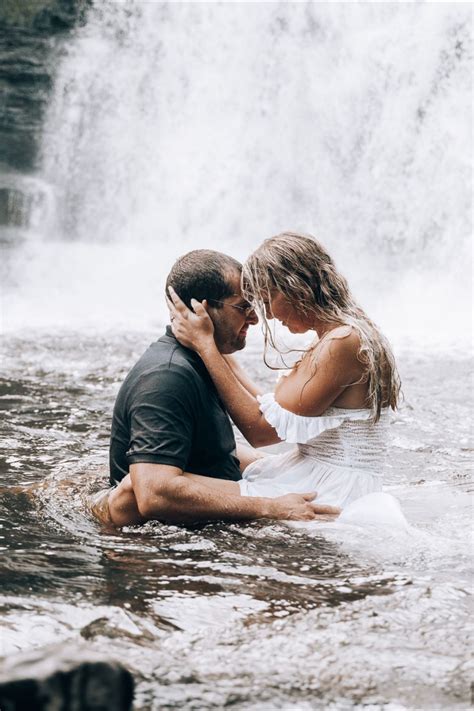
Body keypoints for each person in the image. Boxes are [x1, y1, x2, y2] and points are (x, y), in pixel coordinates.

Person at [92, 249, 339, 527]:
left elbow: (207, 451)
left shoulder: (202, 360)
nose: (255, 319)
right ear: (203, 310)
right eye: (242, 307)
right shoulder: (166, 377)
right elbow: (154, 494)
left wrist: (277, 468)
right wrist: (270, 507)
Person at [167, 232, 401, 511]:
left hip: (336, 489)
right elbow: (277, 412)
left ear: (294, 288)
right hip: (316, 471)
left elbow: (263, 432)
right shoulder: (336, 335)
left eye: (267, 300)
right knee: (196, 460)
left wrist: (206, 347)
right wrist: (218, 347)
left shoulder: (343, 343)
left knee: (164, 486)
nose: (268, 314)